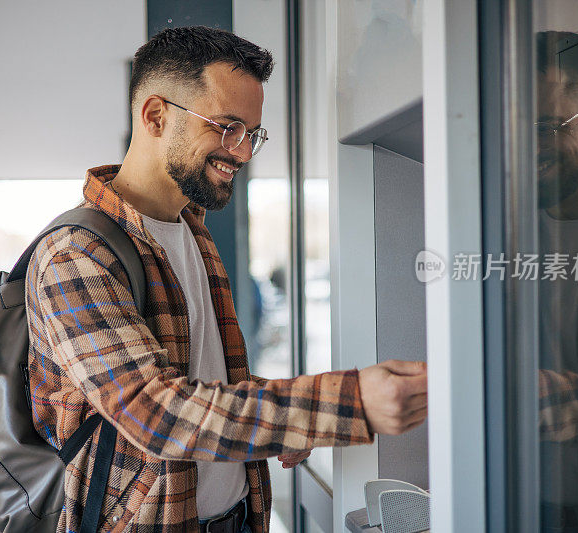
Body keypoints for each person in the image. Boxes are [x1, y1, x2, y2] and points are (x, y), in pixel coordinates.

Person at [25, 26, 427, 533]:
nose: (241, 152)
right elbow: (155, 411)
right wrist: (347, 404)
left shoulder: (192, 230)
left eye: (252, 135)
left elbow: (204, 381)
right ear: (155, 116)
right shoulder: (76, 253)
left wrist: (285, 424)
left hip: (237, 517)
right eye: (227, 127)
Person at [534, 31, 578, 532]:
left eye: (545, 125)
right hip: (522, 499)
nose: (526, 146)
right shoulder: (493, 226)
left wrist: (516, 398)